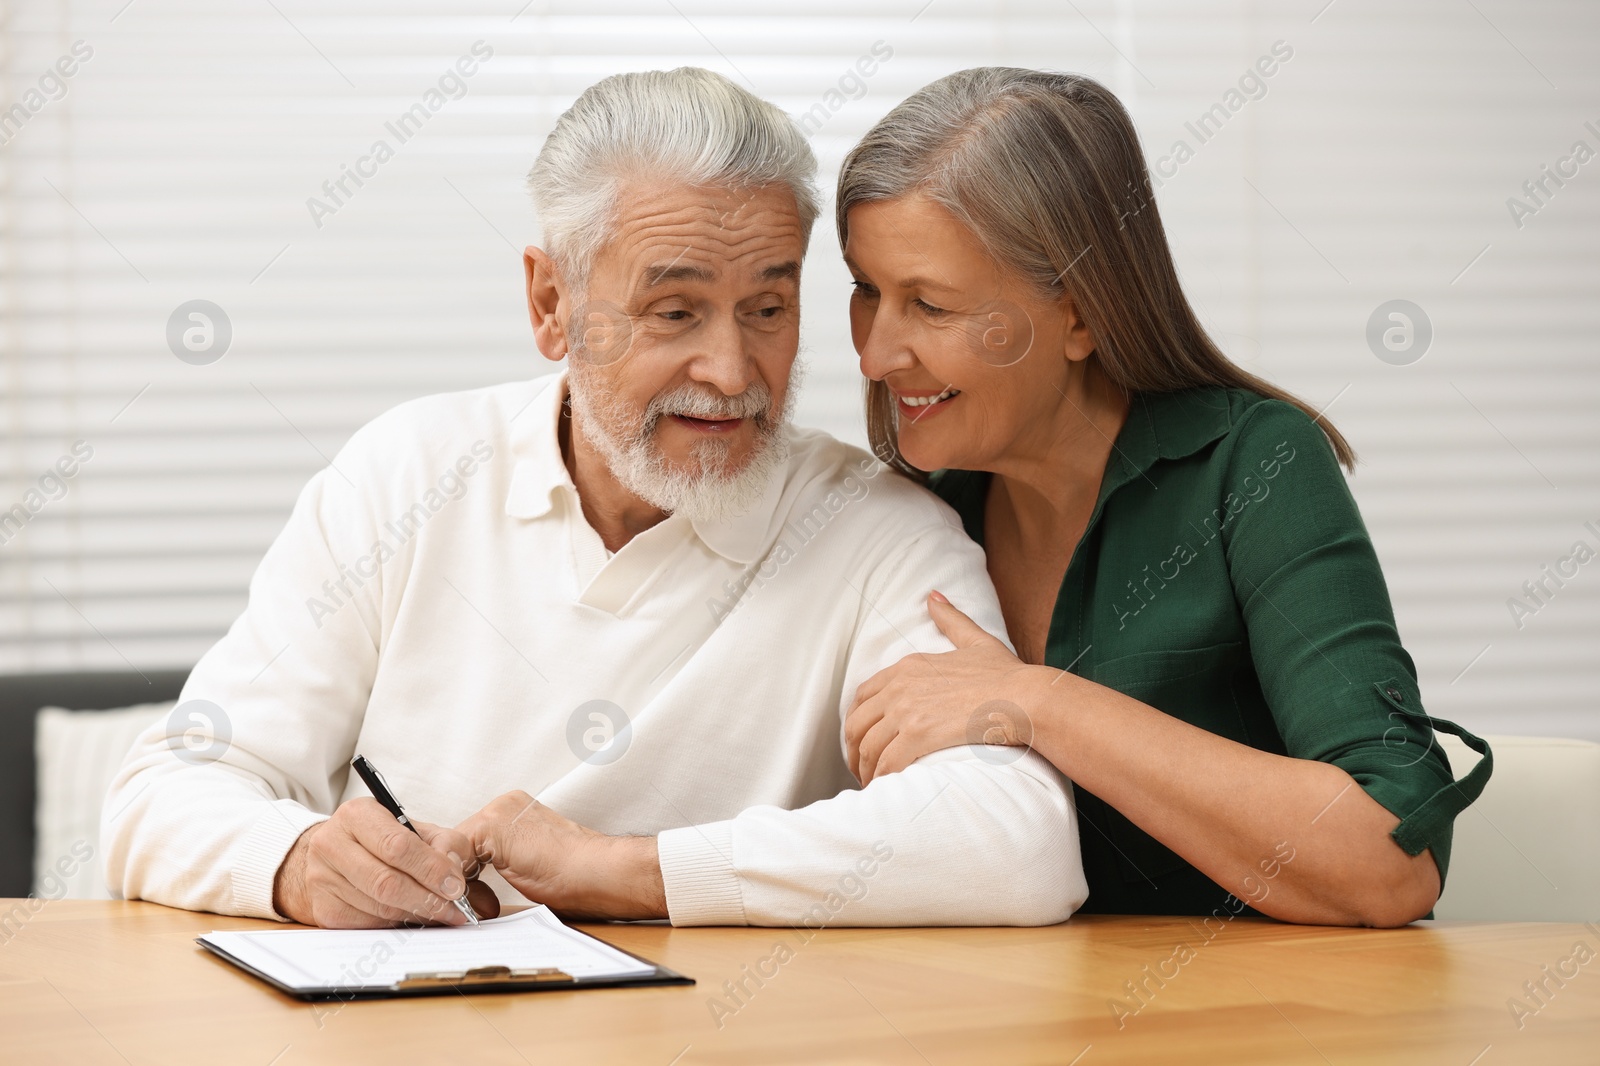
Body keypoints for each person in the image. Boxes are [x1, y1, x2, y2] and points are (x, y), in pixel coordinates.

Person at [102, 68, 1088, 930]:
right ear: (549, 305)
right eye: (675, 310)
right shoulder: (403, 475)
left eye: (768, 308)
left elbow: (1018, 841)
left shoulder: (878, 532)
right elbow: (164, 789)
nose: (731, 368)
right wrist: (293, 864)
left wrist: (627, 872)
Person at [837, 68, 1492, 927]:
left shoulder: (1253, 466)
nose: (877, 355)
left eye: (929, 303)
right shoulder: (910, 517)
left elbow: (1388, 862)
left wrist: (1038, 702)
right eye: (865, 290)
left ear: (1079, 315)